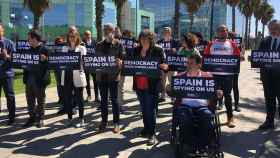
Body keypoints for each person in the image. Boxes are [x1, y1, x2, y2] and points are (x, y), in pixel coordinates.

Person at [167, 54, 223, 150]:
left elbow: (215, 93)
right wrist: (168, 89)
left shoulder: (208, 76)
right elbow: (172, 94)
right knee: (184, 117)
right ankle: (189, 143)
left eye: (191, 63)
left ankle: (203, 144)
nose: (188, 65)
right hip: (185, 106)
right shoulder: (180, 77)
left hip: (203, 106)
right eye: (187, 63)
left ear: (199, 65)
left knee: (207, 116)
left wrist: (219, 93)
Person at [133, 30, 168, 145]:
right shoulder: (136, 50)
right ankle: (146, 129)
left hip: (152, 84)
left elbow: (165, 64)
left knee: (151, 108)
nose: (143, 39)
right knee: (143, 108)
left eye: (146, 37)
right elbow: (130, 63)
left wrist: (163, 66)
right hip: (139, 83)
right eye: (141, 37)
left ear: (151, 38)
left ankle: (152, 134)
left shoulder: (158, 49)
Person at [204, 25, 240, 128]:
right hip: (214, 75)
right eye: (220, 30)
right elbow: (206, 58)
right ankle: (210, 118)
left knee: (228, 96)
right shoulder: (211, 44)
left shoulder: (232, 44)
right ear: (217, 32)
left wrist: (240, 58)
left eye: (224, 30)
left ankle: (230, 118)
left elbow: (237, 58)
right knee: (212, 96)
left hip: (228, 75)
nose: (222, 32)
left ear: (227, 32)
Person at [96, 23, 124, 133]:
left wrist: (121, 62)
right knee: (103, 101)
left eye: (109, 29)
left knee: (114, 100)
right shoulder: (98, 45)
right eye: (105, 30)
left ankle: (116, 123)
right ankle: (104, 122)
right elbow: (95, 60)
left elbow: (123, 57)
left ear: (113, 31)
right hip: (101, 77)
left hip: (113, 76)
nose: (107, 31)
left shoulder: (118, 44)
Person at [22, 30, 51, 128]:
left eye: (29, 38)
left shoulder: (45, 49)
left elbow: (52, 64)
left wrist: (45, 60)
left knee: (40, 99)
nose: (28, 40)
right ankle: (32, 117)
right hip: (29, 78)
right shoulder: (28, 50)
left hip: (40, 79)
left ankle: (40, 118)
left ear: (34, 39)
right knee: (30, 100)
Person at [61, 30, 87, 128]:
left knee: (79, 99)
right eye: (70, 36)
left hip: (77, 75)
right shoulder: (64, 48)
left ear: (77, 37)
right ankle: (69, 118)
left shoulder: (82, 48)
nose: (71, 38)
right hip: (67, 75)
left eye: (73, 36)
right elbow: (62, 60)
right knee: (67, 99)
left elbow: (83, 61)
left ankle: (81, 119)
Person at [258, 20, 280, 130]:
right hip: (267, 77)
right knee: (269, 99)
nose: (272, 31)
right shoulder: (265, 41)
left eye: (275, 28)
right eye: (270, 29)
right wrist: (253, 59)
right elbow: (259, 56)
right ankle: (269, 121)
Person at [0, 23, 16, 125]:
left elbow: (15, 59)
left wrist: (7, 56)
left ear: (2, 31)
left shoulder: (9, 43)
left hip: (7, 74)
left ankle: (11, 117)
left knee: (10, 96)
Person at [157, 27, 178, 103]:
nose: (166, 33)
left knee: (172, 81)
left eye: (167, 31)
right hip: (162, 64)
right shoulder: (159, 42)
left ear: (170, 32)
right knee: (162, 81)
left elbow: (178, 51)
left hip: (171, 65)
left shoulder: (175, 42)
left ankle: (173, 98)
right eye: (164, 31)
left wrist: (175, 50)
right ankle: (162, 96)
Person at [82, 30, 100, 103]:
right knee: (87, 81)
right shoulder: (82, 43)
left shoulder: (95, 42)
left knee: (95, 81)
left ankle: (96, 96)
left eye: (89, 34)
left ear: (91, 35)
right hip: (86, 65)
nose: (87, 36)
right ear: (84, 35)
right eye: (86, 34)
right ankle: (89, 96)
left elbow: (98, 52)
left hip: (94, 64)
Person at [54, 36, 67, 115]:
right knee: (59, 85)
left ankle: (65, 100)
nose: (59, 42)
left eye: (60, 41)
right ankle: (61, 98)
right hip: (57, 69)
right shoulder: (54, 48)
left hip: (64, 69)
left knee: (64, 84)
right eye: (58, 41)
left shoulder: (65, 47)